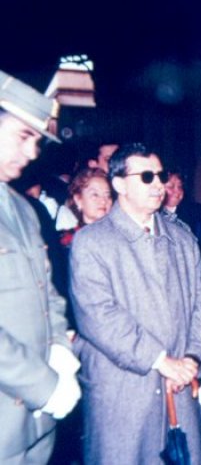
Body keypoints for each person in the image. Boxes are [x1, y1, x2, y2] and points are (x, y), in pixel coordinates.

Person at [69, 143, 201, 464]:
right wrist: (160, 360)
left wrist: (192, 359)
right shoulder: (92, 242)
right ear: (119, 184)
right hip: (123, 391)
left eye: (160, 175)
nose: (159, 184)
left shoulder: (183, 240)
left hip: (178, 386)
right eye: (146, 177)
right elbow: (98, 316)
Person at [0, 71, 81, 464]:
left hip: (37, 423)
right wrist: (45, 385)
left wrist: (59, 348)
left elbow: (47, 291)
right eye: (23, 136)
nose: (32, 153)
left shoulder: (22, 209)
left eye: (37, 141)